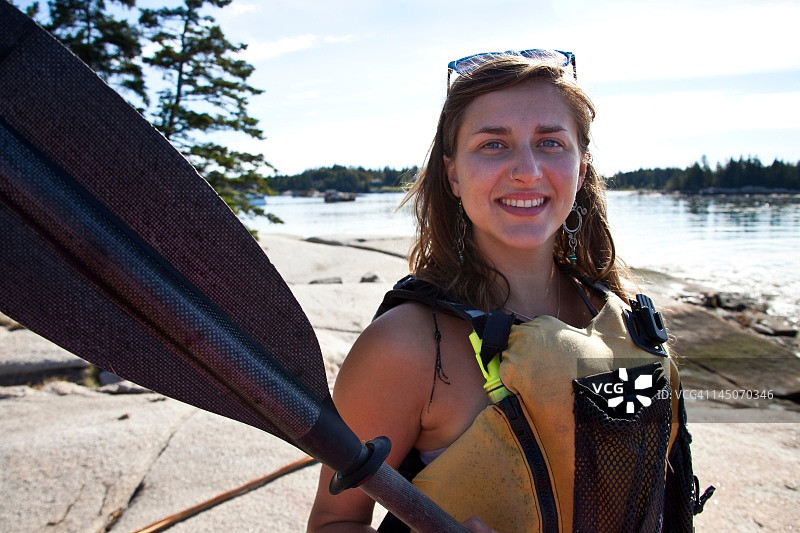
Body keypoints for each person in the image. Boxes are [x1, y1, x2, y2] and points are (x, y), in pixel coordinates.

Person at [308, 49, 710, 532]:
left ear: (581, 170)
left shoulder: (625, 317)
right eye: (493, 145)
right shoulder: (407, 346)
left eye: (551, 143)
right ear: (453, 173)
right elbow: (335, 520)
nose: (526, 170)